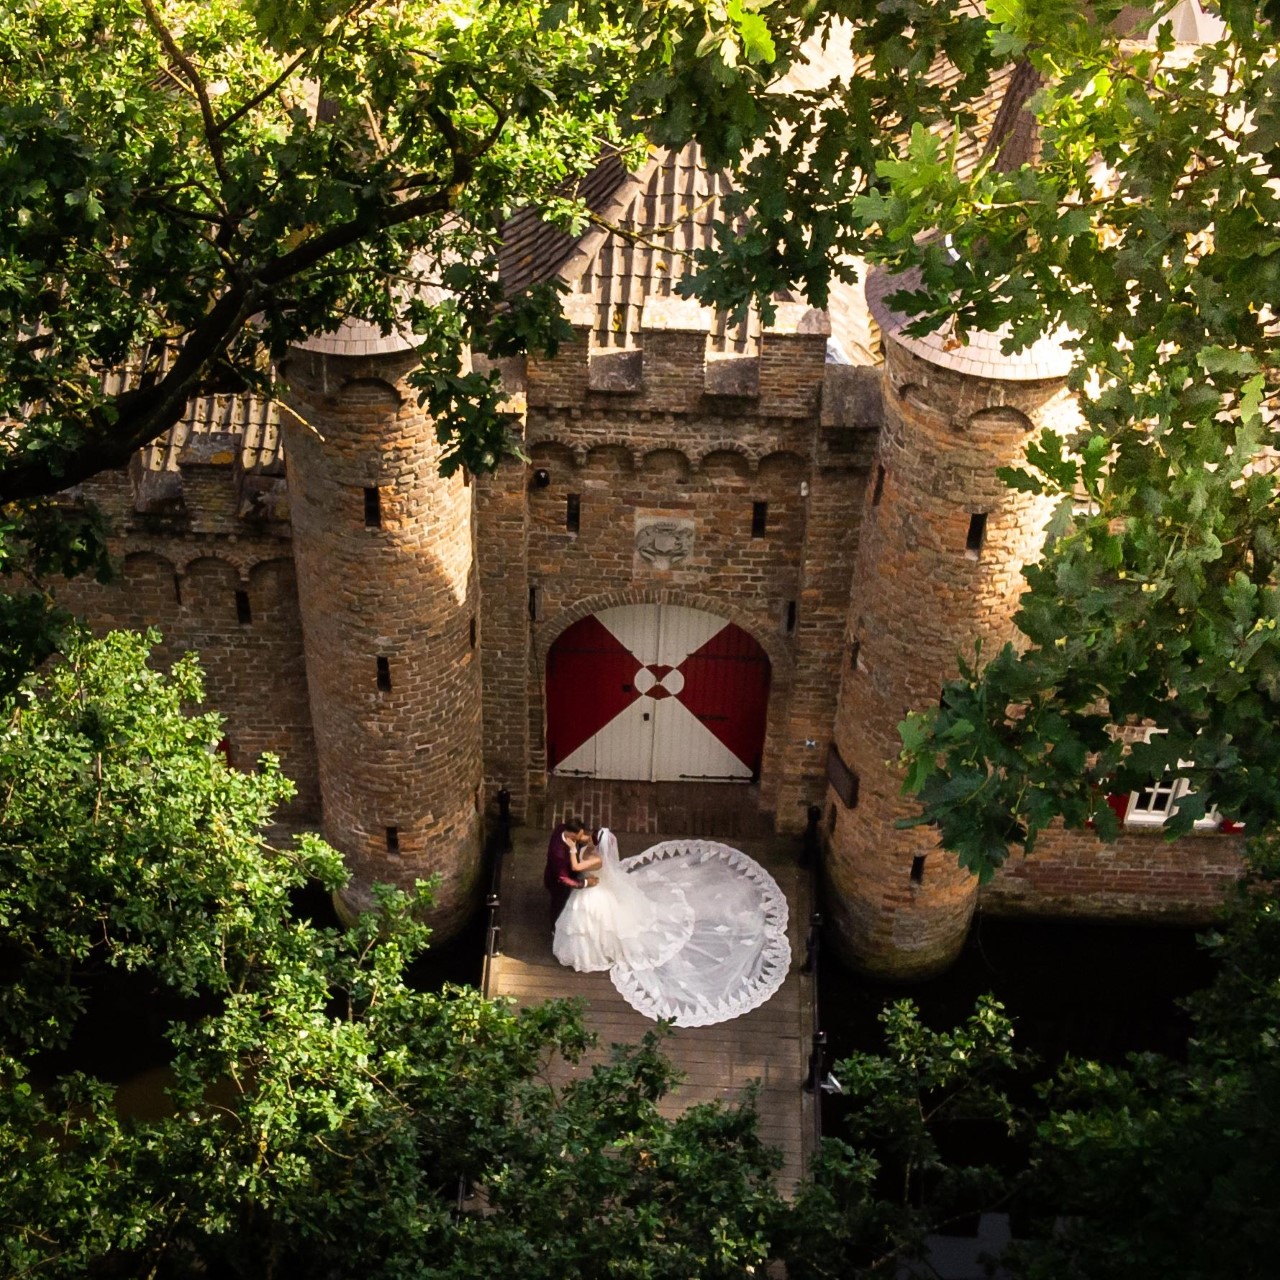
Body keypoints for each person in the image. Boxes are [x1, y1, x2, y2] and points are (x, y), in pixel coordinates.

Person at [552, 827, 693, 973]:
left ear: (597, 843)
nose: (588, 838)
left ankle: (593, 954)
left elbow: (576, 866)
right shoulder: (588, 849)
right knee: (579, 923)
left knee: (594, 923)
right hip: (586, 887)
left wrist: (573, 848)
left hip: (594, 891)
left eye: (591, 837)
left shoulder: (597, 860)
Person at [542, 816, 597, 925]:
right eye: (580, 835)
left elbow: (578, 841)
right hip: (558, 884)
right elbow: (564, 879)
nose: (582, 837)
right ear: (572, 835)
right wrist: (586, 882)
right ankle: (555, 927)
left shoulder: (562, 828)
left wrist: (585, 839)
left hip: (570, 870)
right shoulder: (559, 854)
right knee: (559, 905)